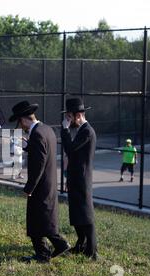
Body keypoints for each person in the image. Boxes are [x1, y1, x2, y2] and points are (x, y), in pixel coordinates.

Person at [9, 101, 70, 263]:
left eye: (19, 122)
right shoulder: (46, 129)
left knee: (37, 220)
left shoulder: (37, 134)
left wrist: (29, 187)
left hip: (40, 184)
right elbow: (43, 153)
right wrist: (29, 146)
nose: (21, 126)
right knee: (42, 218)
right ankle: (56, 246)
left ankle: (46, 252)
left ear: (23, 120)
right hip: (48, 182)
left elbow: (38, 164)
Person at [61, 97, 98, 260]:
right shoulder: (82, 131)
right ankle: (81, 243)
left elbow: (70, 149)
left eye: (69, 117)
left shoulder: (87, 131)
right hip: (75, 178)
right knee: (76, 212)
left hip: (82, 179)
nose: (67, 120)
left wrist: (65, 129)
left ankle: (92, 250)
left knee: (86, 214)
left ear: (78, 116)